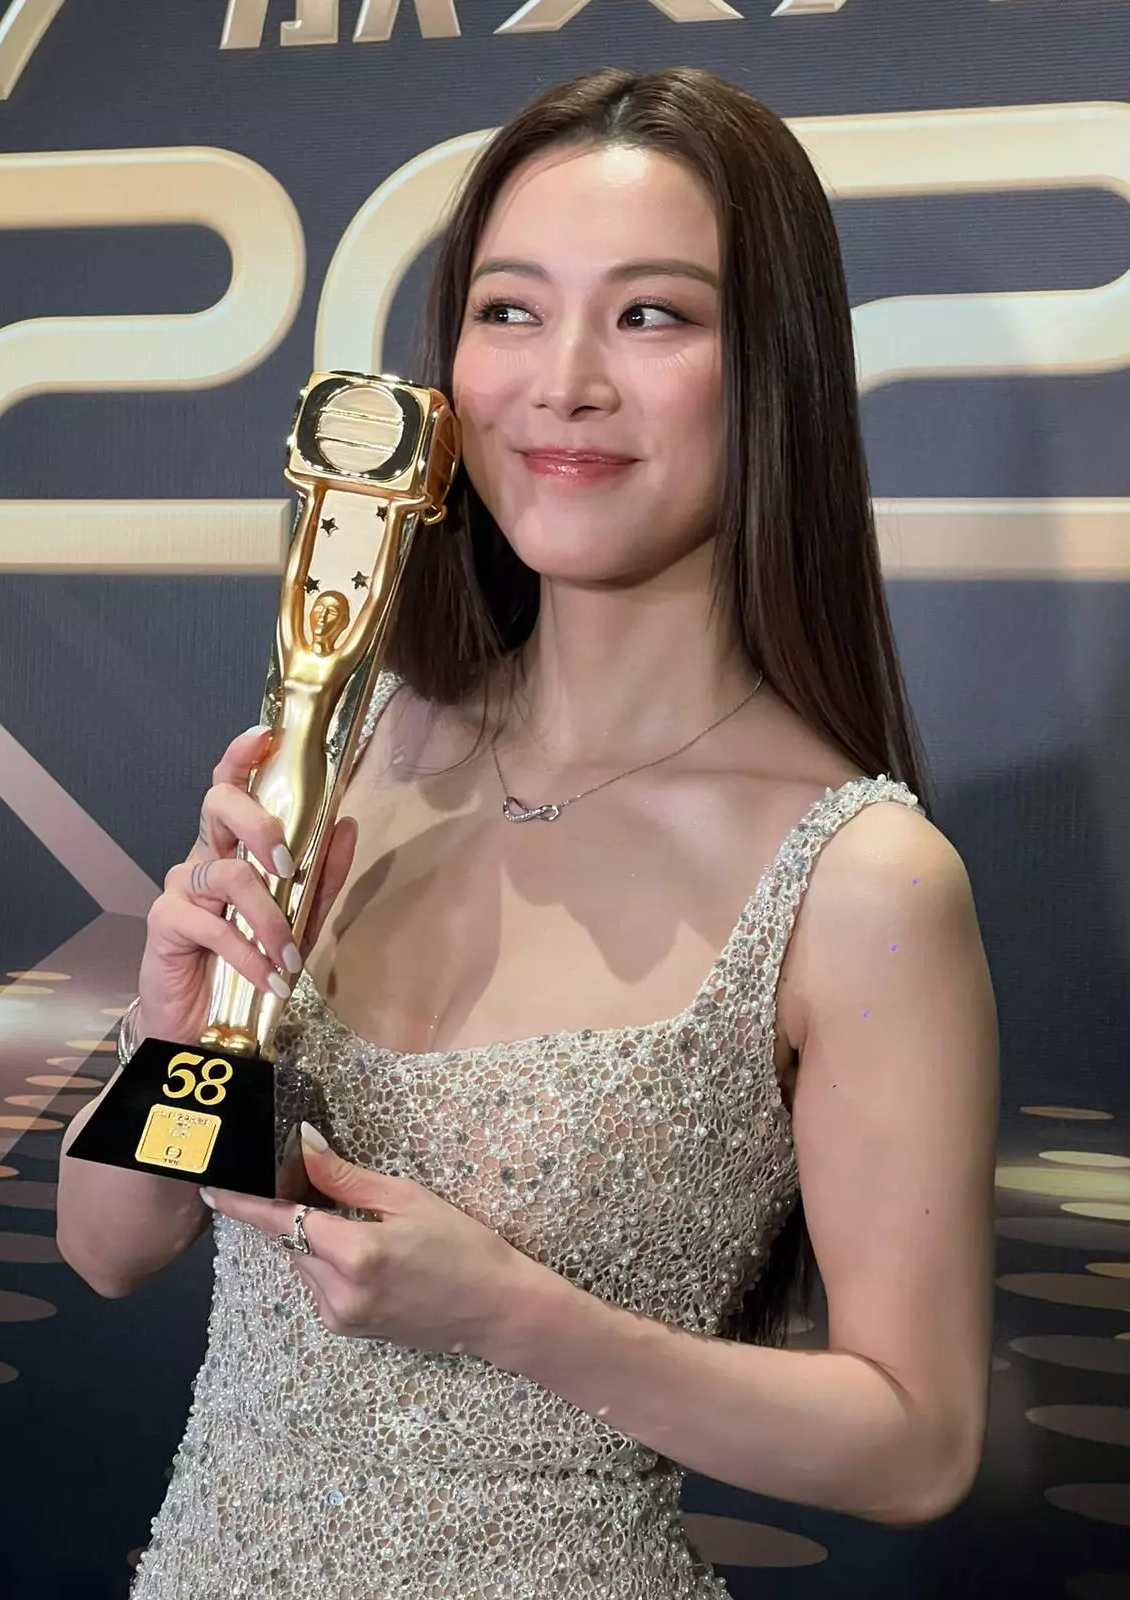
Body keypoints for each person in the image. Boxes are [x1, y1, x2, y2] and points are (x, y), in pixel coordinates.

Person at [57, 66, 999, 1599]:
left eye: (652, 315)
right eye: (510, 310)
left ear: (773, 371)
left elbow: (922, 1444)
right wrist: (180, 1037)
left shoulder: (863, 881)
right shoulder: (347, 746)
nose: (562, 382)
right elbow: (114, 1247)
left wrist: (519, 1317)